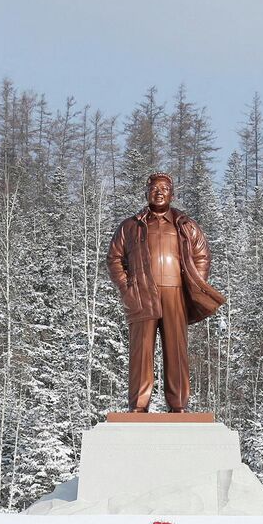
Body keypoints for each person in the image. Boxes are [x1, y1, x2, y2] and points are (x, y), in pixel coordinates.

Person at [107, 172, 218, 414]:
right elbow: (114, 258)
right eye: (154, 188)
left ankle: (178, 404)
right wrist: (127, 288)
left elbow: (202, 256)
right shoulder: (130, 226)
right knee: (141, 349)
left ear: (172, 194)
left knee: (177, 348)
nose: (159, 192)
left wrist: (194, 285)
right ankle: (138, 405)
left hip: (174, 291)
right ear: (146, 193)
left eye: (164, 188)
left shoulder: (185, 225)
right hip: (141, 293)